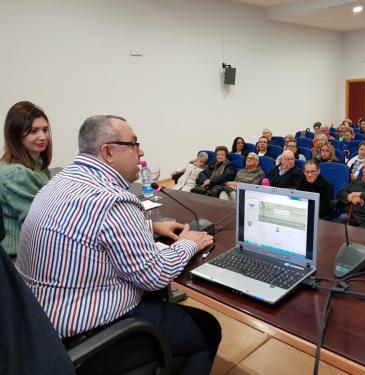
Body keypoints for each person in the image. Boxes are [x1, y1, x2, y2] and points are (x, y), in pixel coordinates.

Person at [15, 115, 221, 373]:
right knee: (208, 328)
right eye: (134, 144)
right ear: (108, 152)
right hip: (91, 332)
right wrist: (188, 243)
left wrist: (150, 226)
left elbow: (86, 228)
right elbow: (154, 276)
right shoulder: (112, 200)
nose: (141, 151)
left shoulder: (59, 181)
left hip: (42, 326)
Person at [0, 101, 52, 256]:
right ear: (15, 135)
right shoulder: (16, 174)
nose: (42, 137)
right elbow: (37, 225)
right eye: (33, 131)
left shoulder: (38, 165)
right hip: (17, 261)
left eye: (45, 130)